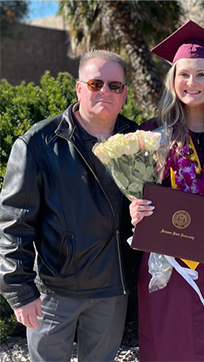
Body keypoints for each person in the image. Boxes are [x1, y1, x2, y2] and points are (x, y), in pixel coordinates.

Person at [0, 50, 138, 361]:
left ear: (125, 93)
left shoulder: (137, 141)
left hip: (112, 292)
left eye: (115, 86)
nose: (105, 91)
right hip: (54, 291)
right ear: (79, 88)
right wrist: (20, 292)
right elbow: (12, 223)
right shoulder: (38, 143)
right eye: (95, 83)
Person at [129, 20, 204, 362]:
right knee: (169, 344)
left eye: (201, 75)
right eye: (183, 74)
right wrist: (135, 210)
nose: (191, 83)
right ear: (172, 80)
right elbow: (138, 193)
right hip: (171, 264)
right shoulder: (152, 135)